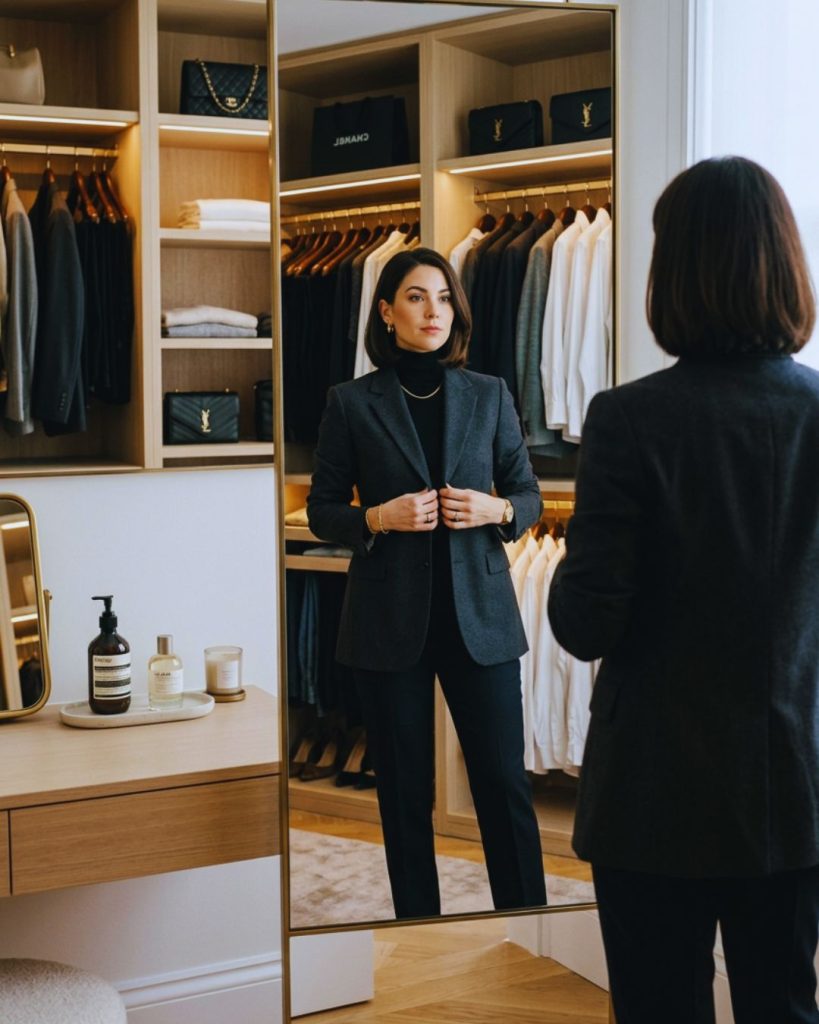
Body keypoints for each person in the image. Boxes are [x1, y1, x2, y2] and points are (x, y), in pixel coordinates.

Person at [548, 156, 819, 1024]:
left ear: (673, 274)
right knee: (784, 1005)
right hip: (795, 782)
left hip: (652, 794)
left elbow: (585, 623)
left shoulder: (630, 419)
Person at [307, 246, 547, 919]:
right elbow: (323, 509)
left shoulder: (489, 393)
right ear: (385, 312)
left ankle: (529, 927)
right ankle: (419, 929)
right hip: (388, 623)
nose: (432, 311)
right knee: (404, 795)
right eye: (414, 296)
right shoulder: (351, 403)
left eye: (442, 297)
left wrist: (497, 509)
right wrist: (375, 517)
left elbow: (526, 493)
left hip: (482, 618)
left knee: (503, 785)